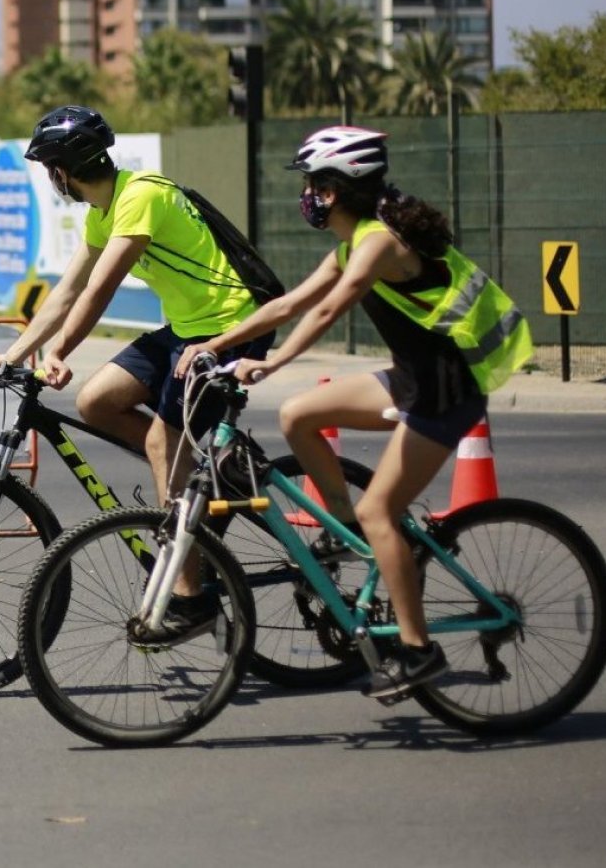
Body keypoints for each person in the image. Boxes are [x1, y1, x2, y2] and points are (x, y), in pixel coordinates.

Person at [175, 125, 533, 700]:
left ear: (339, 188)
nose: (309, 195)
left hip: (445, 393)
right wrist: (216, 345)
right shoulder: (354, 241)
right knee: (298, 416)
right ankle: (342, 528)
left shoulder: (380, 244)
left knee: (382, 515)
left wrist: (269, 364)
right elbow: (291, 303)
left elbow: (327, 311)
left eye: (316, 184)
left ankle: (418, 652)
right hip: (412, 380)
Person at [0, 105, 276, 645]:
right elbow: (68, 291)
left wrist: (60, 351)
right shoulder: (102, 213)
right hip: (184, 329)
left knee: (161, 444)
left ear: (64, 168)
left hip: (231, 328)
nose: (52, 180)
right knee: (97, 402)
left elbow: (100, 291)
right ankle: (211, 466)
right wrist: (18, 352)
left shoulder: (140, 196)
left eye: (51, 168)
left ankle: (192, 601)